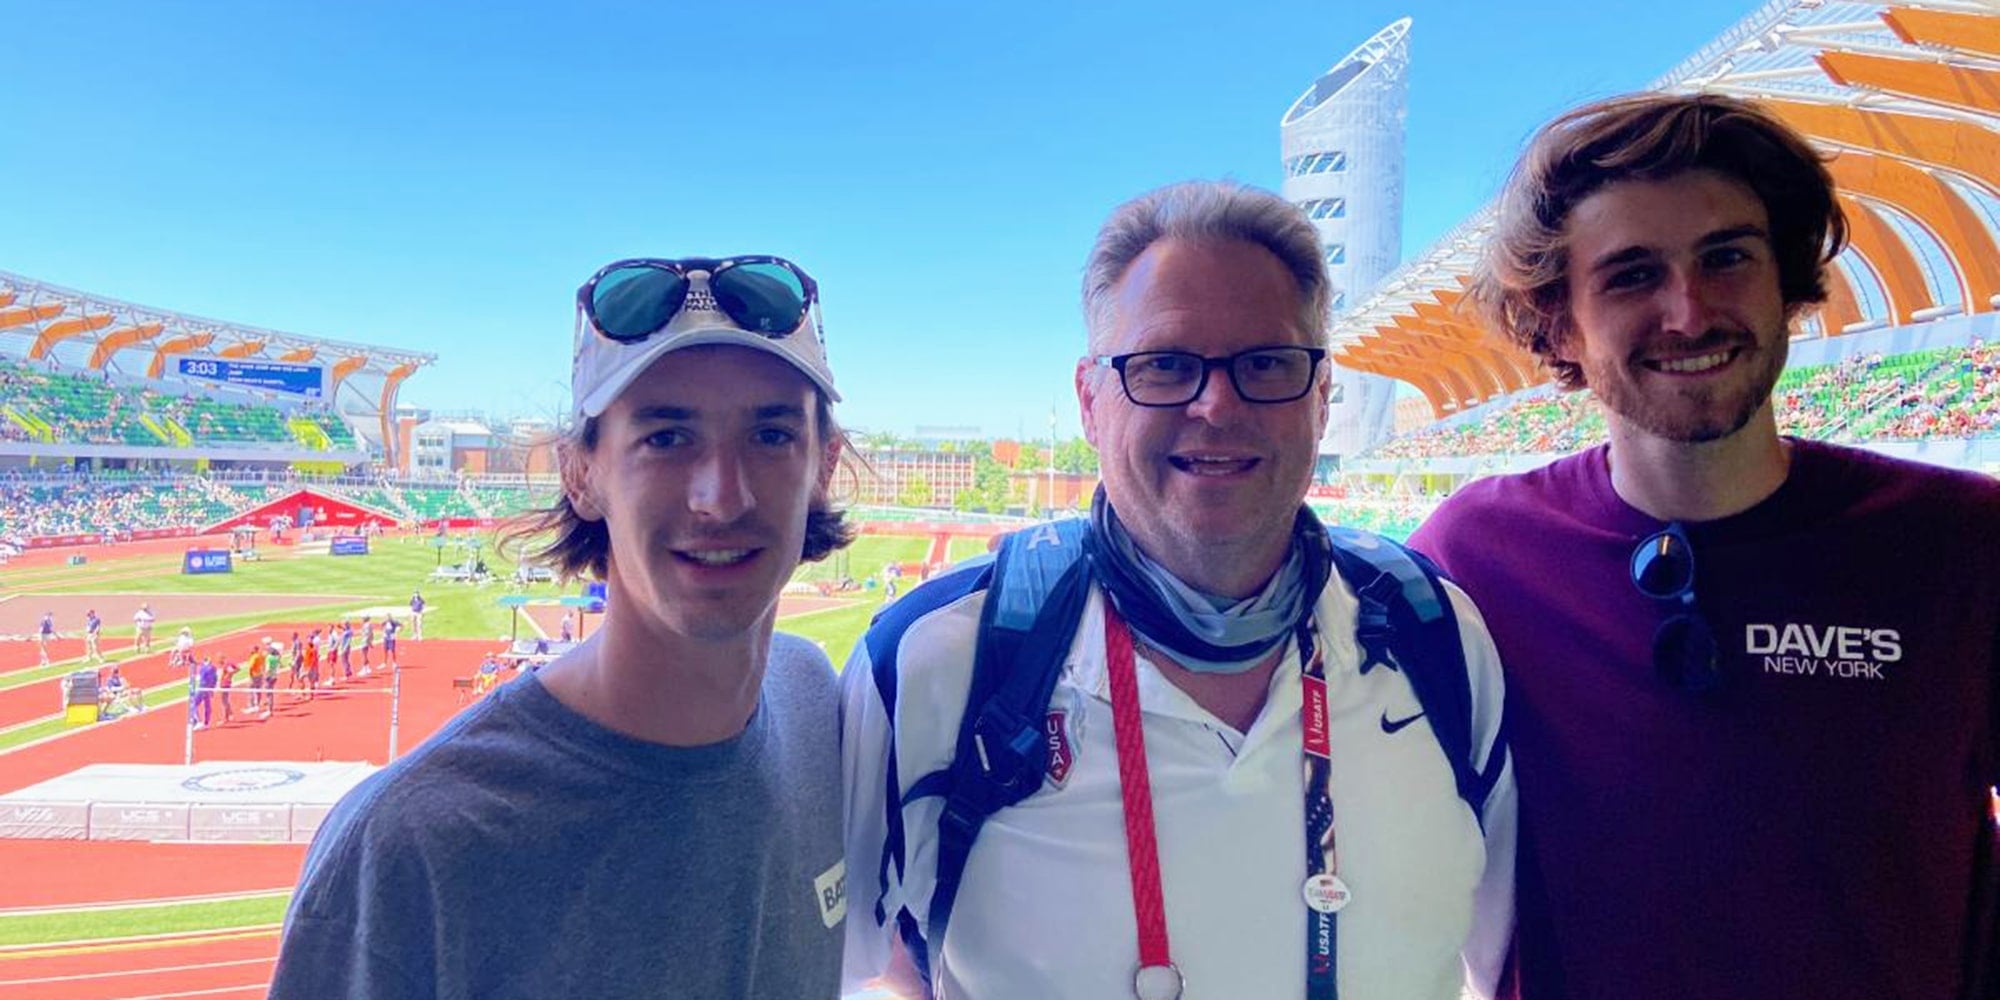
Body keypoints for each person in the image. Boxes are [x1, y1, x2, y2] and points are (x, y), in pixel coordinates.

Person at [844, 182, 1514, 999]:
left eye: (1266, 363)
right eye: (1164, 365)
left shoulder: (1437, 631)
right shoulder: (934, 660)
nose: (1216, 404)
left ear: (1323, 396)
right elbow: (859, 964)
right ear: (1092, 402)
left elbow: (1510, 959)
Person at [1408, 93, 2000, 1000]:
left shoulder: (1962, 543)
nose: (1688, 313)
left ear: (1787, 281)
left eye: (1726, 258)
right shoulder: (1478, 556)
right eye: (1631, 275)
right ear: (1560, 321)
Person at [272, 252, 857, 999]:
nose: (721, 496)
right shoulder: (410, 849)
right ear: (581, 475)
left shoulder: (815, 702)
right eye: (666, 438)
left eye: (771, 436)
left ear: (823, 468)